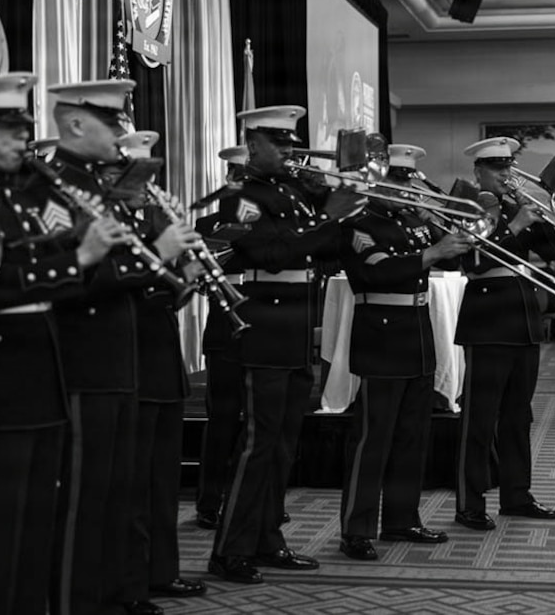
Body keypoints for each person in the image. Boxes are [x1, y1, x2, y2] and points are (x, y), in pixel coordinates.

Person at [0, 73, 125, 615]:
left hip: (37, 380)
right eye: (8, 128)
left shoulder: (16, 197)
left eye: (24, 126)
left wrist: (78, 257)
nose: (24, 137)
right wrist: (78, 258)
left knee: (30, 531)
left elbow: (37, 269)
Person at [45, 80, 198, 615]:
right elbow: (68, 281)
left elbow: (122, 274)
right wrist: (158, 253)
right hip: (83, 362)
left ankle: (115, 594)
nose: (120, 133)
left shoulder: (99, 187)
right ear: (76, 124)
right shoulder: (54, 188)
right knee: (84, 504)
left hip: (122, 358)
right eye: (112, 123)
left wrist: (172, 268)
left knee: (117, 495)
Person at [209, 105, 365, 584]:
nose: (289, 149)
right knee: (258, 443)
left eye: (290, 140)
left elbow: (325, 249)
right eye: (278, 141)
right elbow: (273, 255)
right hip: (265, 321)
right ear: (252, 145)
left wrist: (345, 212)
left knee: (283, 446)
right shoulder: (242, 197)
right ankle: (229, 548)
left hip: (298, 325)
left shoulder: (294, 191)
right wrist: (326, 219)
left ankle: (268, 537)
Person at [337, 144, 470, 561]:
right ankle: (356, 529)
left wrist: (453, 226)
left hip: (416, 332)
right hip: (380, 333)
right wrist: (432, 253)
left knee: (413, 435)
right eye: (397, 180)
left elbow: (459, 242)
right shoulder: (358, 222)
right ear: (376, 179)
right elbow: (375, 270)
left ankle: (401, 518)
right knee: (372, 438)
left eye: (408, 179)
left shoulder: (412, 219)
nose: (404, 187)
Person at [114, 131, 207, 609]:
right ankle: (129, 583)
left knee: (162, 484)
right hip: (129, 366)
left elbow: (163, 299)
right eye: (139, 175)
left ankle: (161, 571)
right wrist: (163, 259)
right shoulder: (113, 224)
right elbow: (119, 291)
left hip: (162, 365)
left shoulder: (144, 223)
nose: (147, 185)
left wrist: (187, 276)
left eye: (150, 175)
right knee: (131, 488)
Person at [454, 136, 555, 531]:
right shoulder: (466, 204)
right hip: (487, 321)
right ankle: (470, 502)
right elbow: (475, 261)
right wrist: (515, 225)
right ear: (478, 171)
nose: (506, 175)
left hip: (523, 319)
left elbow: (551, 253)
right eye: (498, 168)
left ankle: (517, 495)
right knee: (480, 419)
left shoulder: (518, 205)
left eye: (509, 167)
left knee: (519, 417)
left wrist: (545, 213)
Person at [195, 145, 249, 531]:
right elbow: (196, 282)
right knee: (223, 420)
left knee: (259, 423)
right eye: (238, 176)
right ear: (228, 179)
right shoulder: (206, 226)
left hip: (266, 326)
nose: (243, 184)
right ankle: (209, 502)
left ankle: (255, 499)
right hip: (225, 329)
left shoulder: (271, 221)